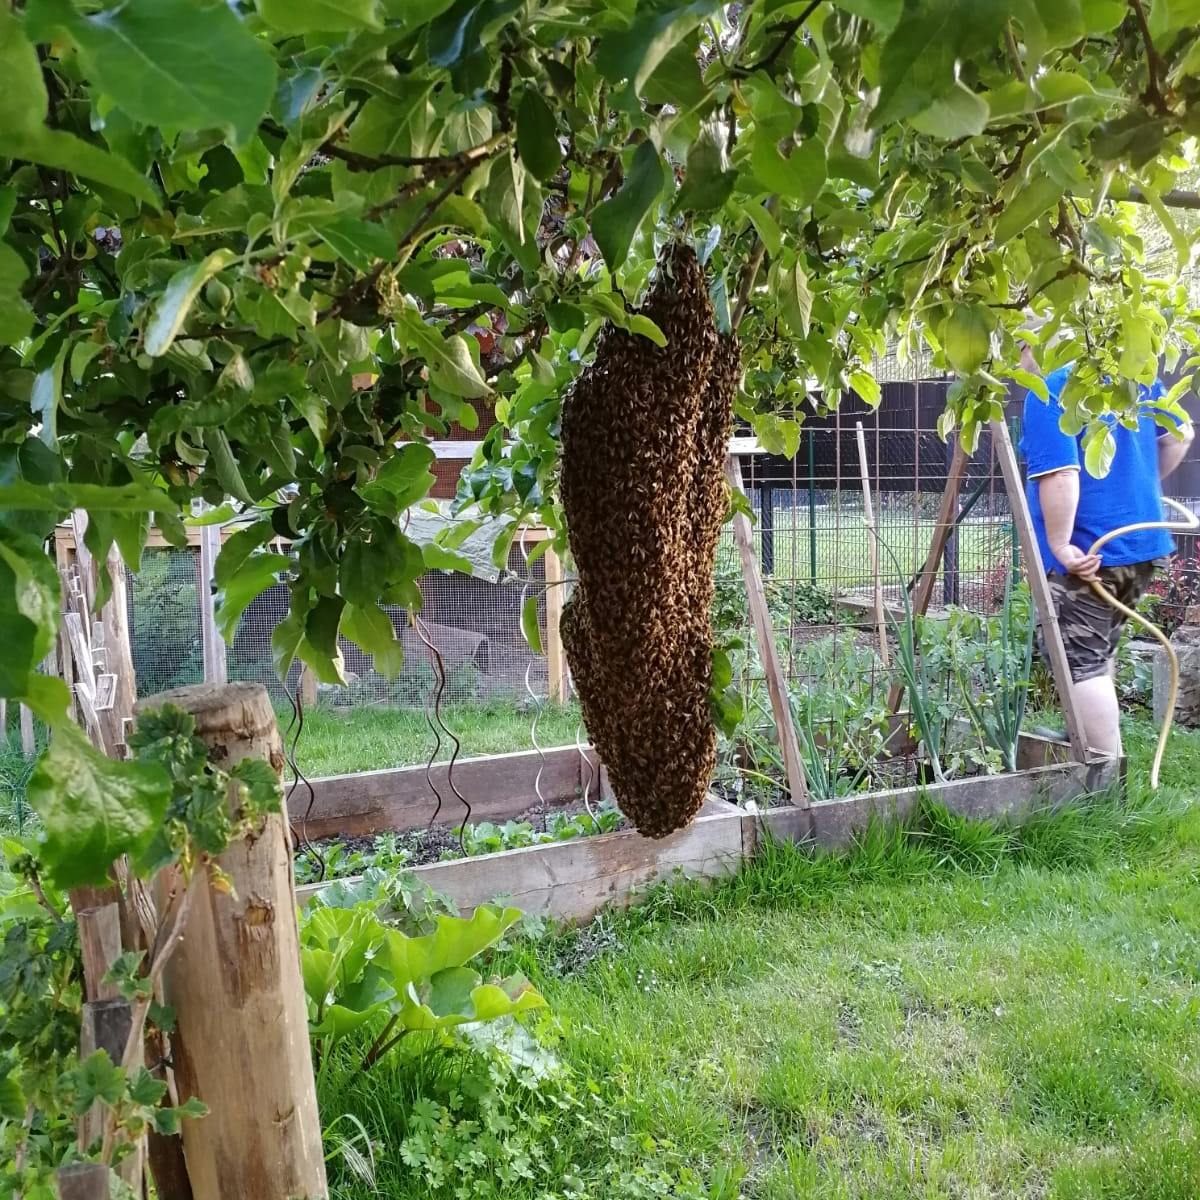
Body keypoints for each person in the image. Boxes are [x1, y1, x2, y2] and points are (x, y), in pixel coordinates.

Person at [1021, 362, 1194, 758]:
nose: (1017, 359)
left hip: (1089, 552)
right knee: (1099, 652)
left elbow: (1061, 474)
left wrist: (1062, 545)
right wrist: (1135, 496)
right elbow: (1181, 436)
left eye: (1022, 344)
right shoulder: (1132, 374)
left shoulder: (1052, 390)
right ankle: (1086, 736)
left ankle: (1102, 774)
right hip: (1142, 546)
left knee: (1076, 661)